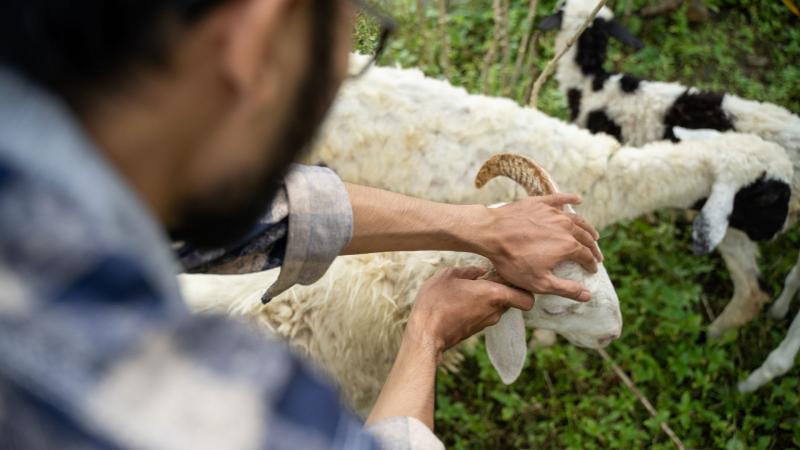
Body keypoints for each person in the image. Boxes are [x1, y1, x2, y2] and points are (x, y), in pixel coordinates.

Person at [0, 1, 602, 449]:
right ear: (255, 37)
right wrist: (424, 339)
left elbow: (275, 214)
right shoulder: (114, 376)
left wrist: (472, 227)